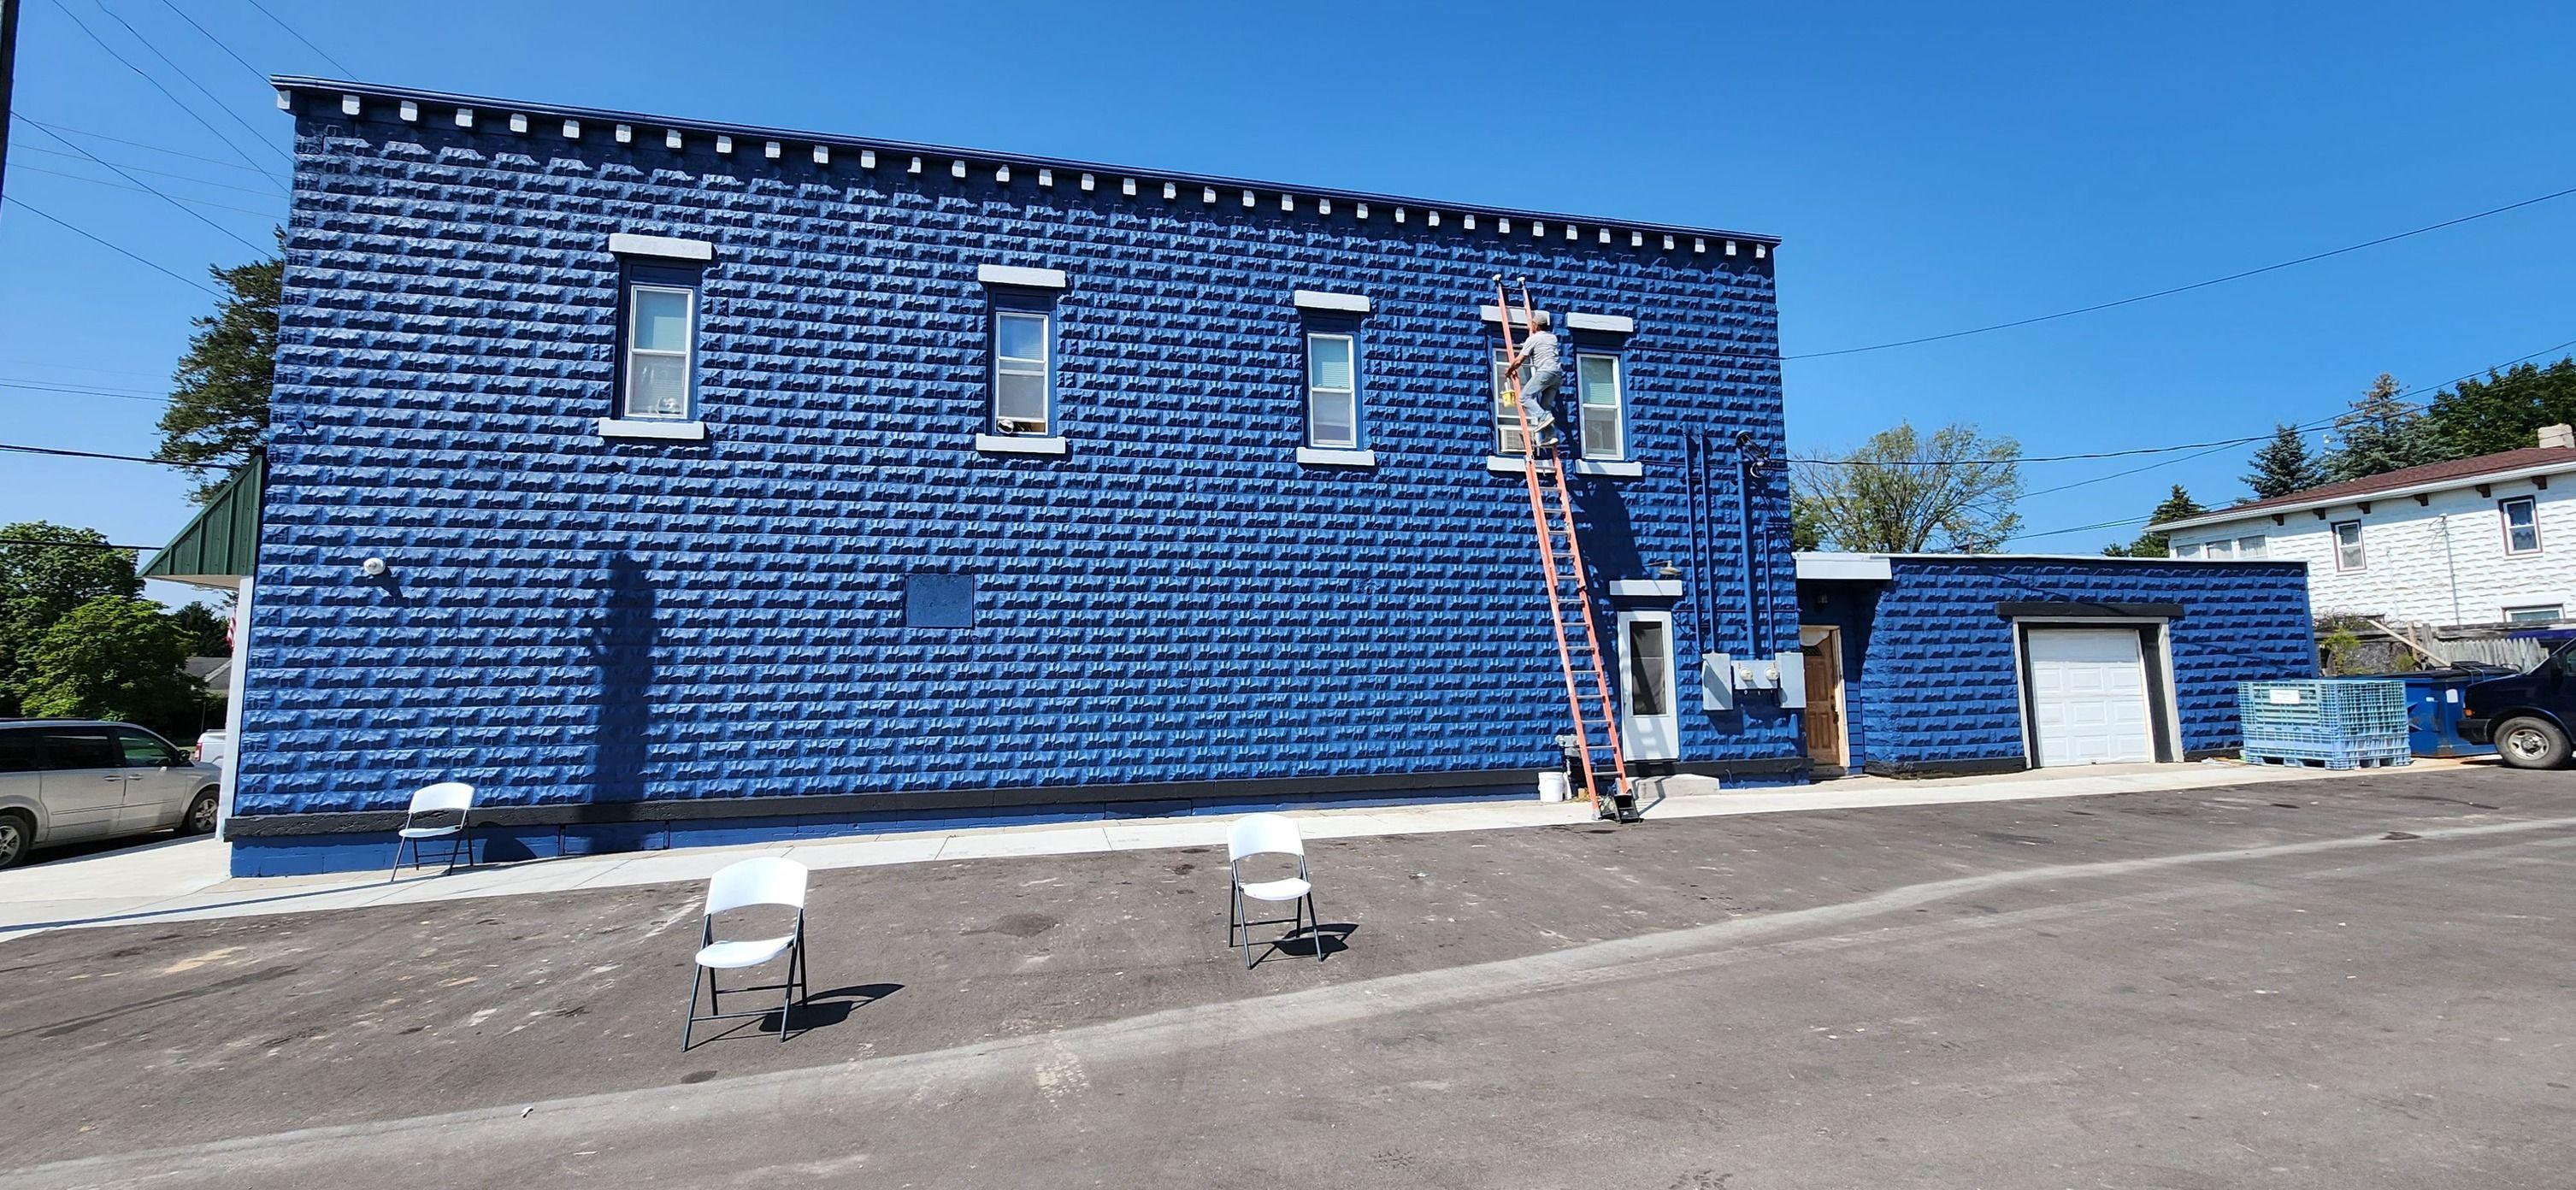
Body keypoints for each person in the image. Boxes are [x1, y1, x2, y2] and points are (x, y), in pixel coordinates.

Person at [1506, 309, 1563, 448]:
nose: (1530, 326)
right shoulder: (1552, 337)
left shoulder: (1533, 339)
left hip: (1545, 372)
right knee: (1544, 406)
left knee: (1524, 397)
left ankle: (1545, 418)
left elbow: (1519, 360)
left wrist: (1509, 370)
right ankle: (1551, 436)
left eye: (1531, 324)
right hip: (1557, 375)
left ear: (1536, 325)